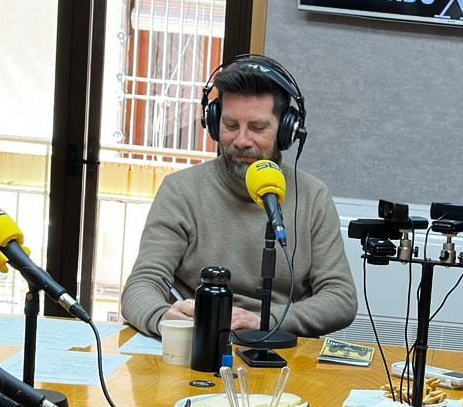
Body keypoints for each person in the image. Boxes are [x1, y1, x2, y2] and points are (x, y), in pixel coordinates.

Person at [119, 56, 355, 339]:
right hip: (198, 342)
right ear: (215, 122)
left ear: (285, 132)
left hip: (278, 347)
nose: (241, 140)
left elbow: (340, 298)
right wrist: (162, 317)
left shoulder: (313, 197)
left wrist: (265, 321)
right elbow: (141, 284)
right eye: (231, 126)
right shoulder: (181, 190)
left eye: (257, 128)